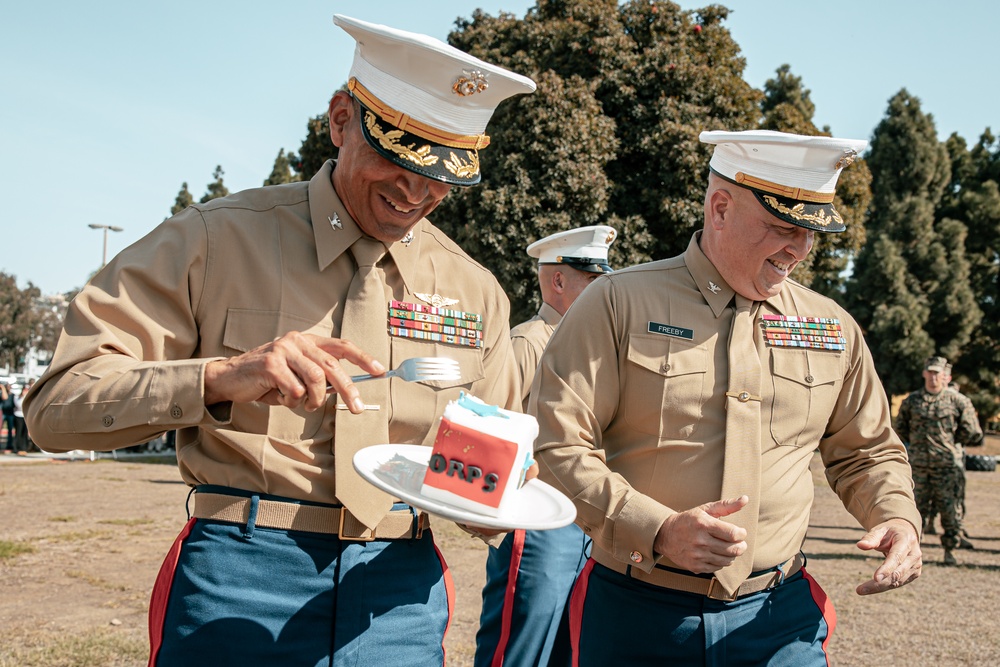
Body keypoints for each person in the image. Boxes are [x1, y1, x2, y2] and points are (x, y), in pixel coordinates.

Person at [25, 14, 535, 667]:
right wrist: (215, 380)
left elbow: (487, 470)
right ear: (341, 119)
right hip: (242, 571)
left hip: (398, 592)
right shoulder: (214, 241)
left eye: (444, 172)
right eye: (398, 156)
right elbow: (53, 406)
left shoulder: (476, 290)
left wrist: (504, 498)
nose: (416, 190)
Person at [529, 130, 923, 665]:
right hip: (638, 612)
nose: (801, 248)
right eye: (785, 227)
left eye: (811, 231)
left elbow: (867, 450)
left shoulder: (832, 326)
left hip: (778, 619)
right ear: (720, 207)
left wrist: (897, 516)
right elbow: (555, 448)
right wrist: (659, 529)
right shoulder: (618, 302)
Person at [476, 225, 616, 667]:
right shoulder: (527, 343)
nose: (604, 293)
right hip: (537, 524)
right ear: (558, 280)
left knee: (569, 649)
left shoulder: (592, 348)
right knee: (520, 647)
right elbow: (492, 428)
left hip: (588, 522)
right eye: (594, 282)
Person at [896, 356, 983, 565]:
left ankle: (949, 550)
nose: (933, 377)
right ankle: (914, 551)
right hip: (918, 466)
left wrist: (950, 445)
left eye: (937, 373)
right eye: (930, 372)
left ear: (944, 376)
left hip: (946, 467)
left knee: (950, 511)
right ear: (924, 373)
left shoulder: (958, 401)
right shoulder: (912, 401)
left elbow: (972, 432)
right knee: (916, 511)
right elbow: (900, 429)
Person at [1, 382, 14, 453]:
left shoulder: (13, 395)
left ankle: (9, 445)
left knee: (10, 430)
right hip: (3, 413)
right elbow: (5, 397)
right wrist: (3, 388)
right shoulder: (2, 394)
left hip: (10, 414)